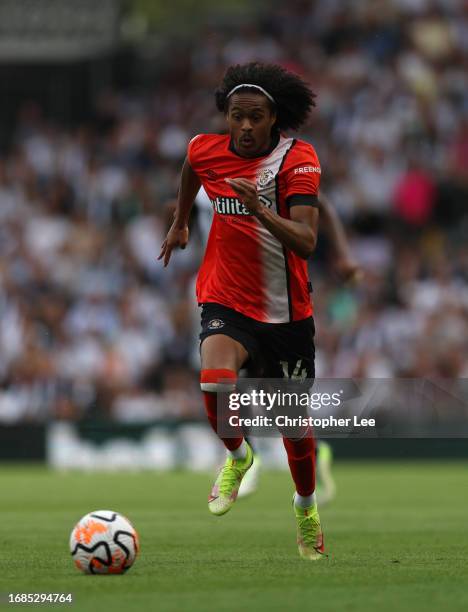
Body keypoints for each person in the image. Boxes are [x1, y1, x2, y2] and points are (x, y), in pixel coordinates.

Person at [159, 62, 328, 561]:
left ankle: (305, 507)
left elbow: (308, 241)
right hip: (225, 297)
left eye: (256, 117)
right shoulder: (204, 148)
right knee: (214, 379)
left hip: (287, 314)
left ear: (275, 118)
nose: (247, 126)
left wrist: (260, 210)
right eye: (238, 116)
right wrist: (181, 221)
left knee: (294, 429)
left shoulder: (298, 159)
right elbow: (192, 168)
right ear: (226, 117)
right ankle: (238, 455)